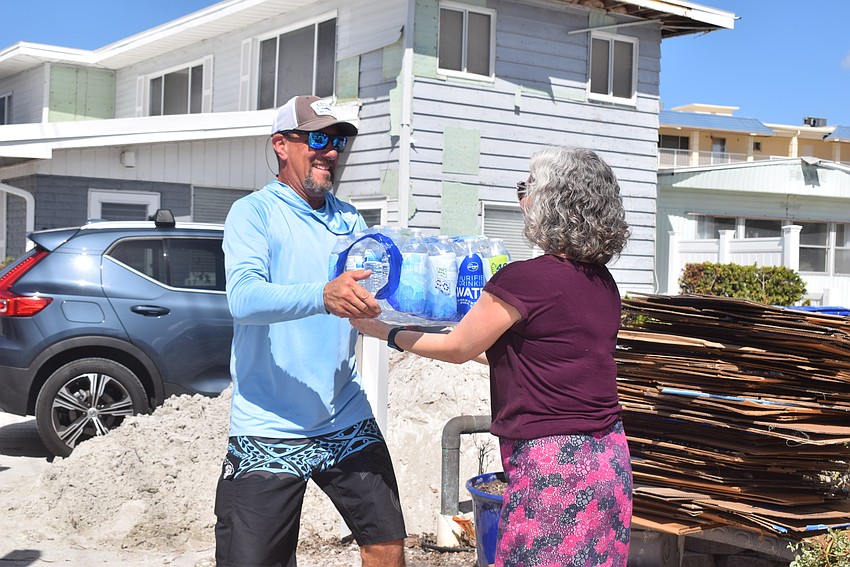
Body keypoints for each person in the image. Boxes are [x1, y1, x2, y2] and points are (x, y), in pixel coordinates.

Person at [352, 146, 633, 567]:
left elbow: (458, 348)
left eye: (527, 187)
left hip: (554, 465)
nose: (521, 198)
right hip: (609, 457)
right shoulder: (603, 283)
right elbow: (531, 357)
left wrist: (383, 331)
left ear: (553, 201)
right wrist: (446, 335)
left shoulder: (524, 280)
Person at [214, 95, 407, 567]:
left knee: (386, 544)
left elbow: (370, 307)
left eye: (339, 141)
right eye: (318, 138)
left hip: (344, 417)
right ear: (281, 145)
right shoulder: (253, 213)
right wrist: (322, 295)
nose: (332, 151)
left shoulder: (350, 219)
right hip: (269, 427)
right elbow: (243, 298)